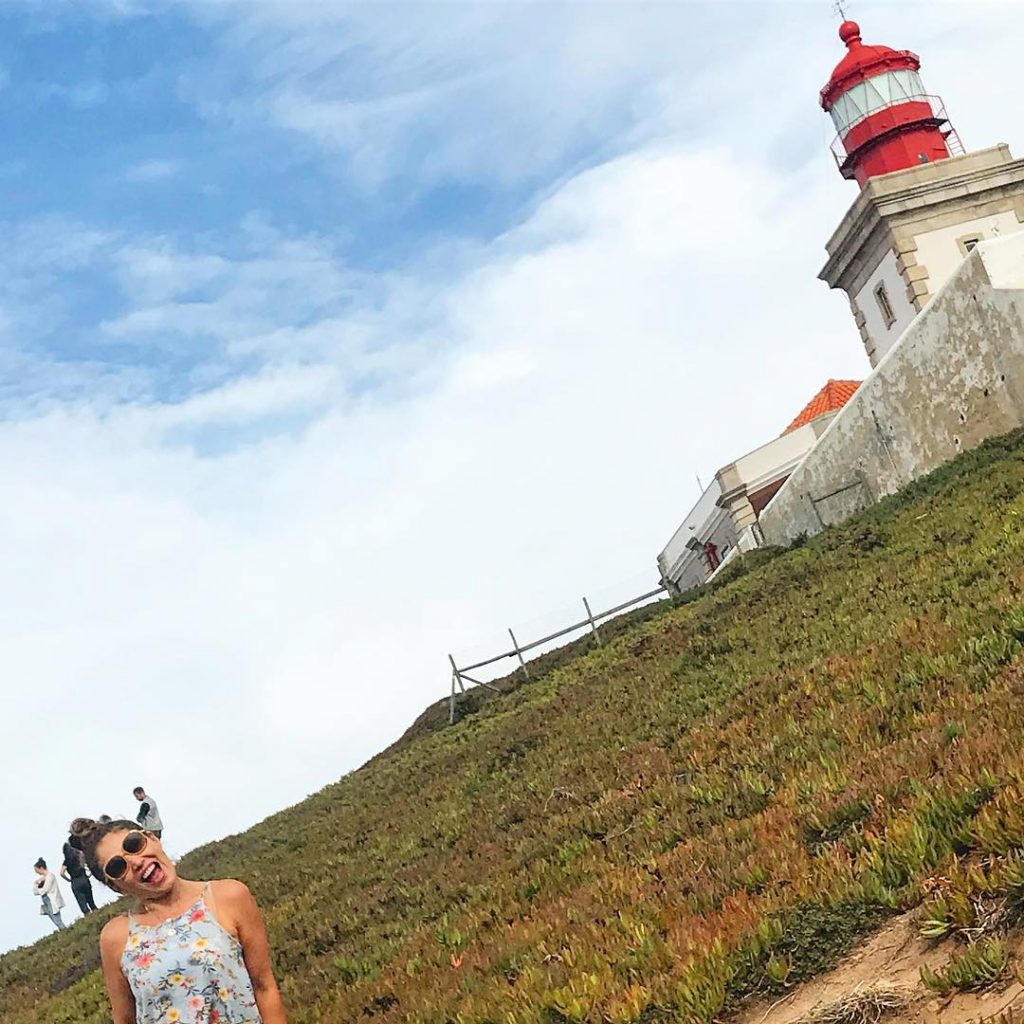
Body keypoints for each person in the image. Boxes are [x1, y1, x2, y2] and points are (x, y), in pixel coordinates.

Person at [69, 817, 288, 1024]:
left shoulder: (229, 896)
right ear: (116, 887)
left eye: (134, 844)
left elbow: (264, 986)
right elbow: (125, 1020)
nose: (135, 862)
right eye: (117, 867)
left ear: (153, 838)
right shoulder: (116, 937)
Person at [61, 835, 98, 915]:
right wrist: (90, 873)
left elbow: (61, 872)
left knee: (82, 903)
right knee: (90, 900)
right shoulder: (80, 856)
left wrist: (68, 879)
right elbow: (88, 863)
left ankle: (88, 916)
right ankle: (95, 912)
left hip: (75, 881)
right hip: (84, 878)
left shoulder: (66, 861)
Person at [33, 858, 66, 931]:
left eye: (37, 870)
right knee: (54, 919)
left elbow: (45, 889)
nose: (37, 872)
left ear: (41, 868)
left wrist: (39, 889)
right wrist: (36, 883)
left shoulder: (50, 876)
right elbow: (35, 892)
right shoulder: (43, 879)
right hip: (45, 900)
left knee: (57, 919)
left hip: (50, 899)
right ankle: (64, 931)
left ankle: (65, 931)